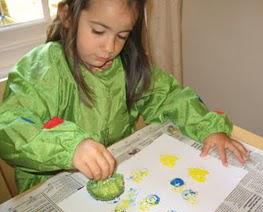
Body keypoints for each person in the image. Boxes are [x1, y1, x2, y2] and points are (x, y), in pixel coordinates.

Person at [0, 0, 247, 193]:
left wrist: (208, 128)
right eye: (98, 31)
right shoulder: (43, 68)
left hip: (120, 178)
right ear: (67, 15)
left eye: (121, 36)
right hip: (53, 191)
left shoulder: (127, 65)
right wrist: (71, 148)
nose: (110, 48)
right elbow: (9, 126)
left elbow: (170, 96)